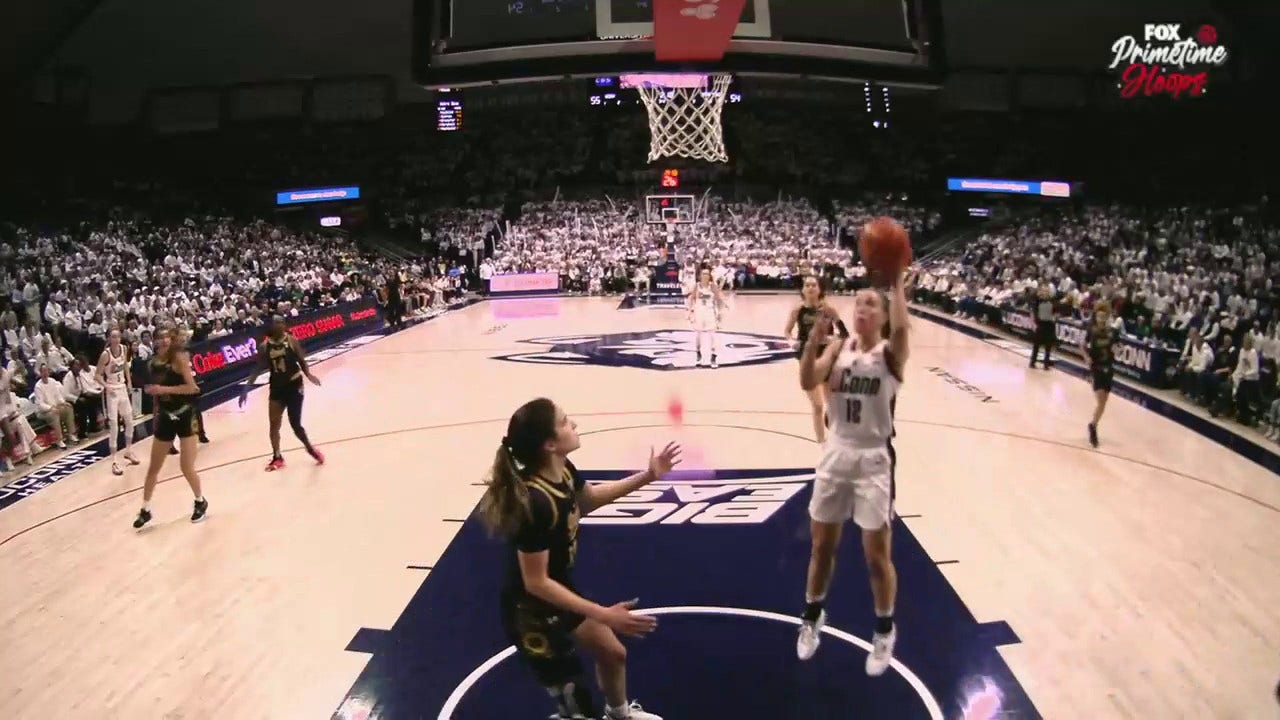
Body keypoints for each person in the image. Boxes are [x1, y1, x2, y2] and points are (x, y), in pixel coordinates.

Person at [480, 398, 680, 720]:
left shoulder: (563, 471)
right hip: (532, 612)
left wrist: (649, 475)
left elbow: (588, 500)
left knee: (613, 653)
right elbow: (536, 582)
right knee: (576, 704)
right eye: (564, 422)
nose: (574, 425)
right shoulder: (536, 503)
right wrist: (603, 613)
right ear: (549, 445)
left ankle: (618, 714)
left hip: (558, 592)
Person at [796, 270, 910, 677]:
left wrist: (896, 288)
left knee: (875, 555)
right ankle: (812, 617)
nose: (863, 308)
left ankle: (884, 628)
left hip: (874, 459)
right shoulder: (839, 347)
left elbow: (902, 329)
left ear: (881, 317)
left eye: (871, 304)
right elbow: (808, 378)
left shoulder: (890, 355)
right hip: (836, 451)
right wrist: (814, 340)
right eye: (859, 302)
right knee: (821, 546)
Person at [134, 328, 207, 529]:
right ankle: (145, 509)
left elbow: (193, 388)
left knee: (186, 466)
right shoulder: (152, 364)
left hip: (184, 413)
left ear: (171, 339)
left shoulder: (180, 359)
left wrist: (164, 389)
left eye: (167, 337)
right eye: (160, 338)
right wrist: (156, 414)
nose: (164, 340)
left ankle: (200, 501)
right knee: (153, 468)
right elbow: (156, 394)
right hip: (166, 415)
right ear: (156, 341)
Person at [239, 316, 324, 470]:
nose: (280, 325)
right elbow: (258, 368)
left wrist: (309, 374)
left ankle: (310, 448)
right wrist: (247, 387)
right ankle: (277, 456)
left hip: (294, 386)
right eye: (277, 322)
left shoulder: (291, 340)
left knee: (295, 424)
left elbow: (301, 360)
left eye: (282, 322)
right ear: (272, 326)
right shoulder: (265, 346)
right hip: (277, 388)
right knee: (274, 425)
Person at [784, 275, 849, 443]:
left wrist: (832, 338)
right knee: (817, 405)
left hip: (827, 359)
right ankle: (821, 441)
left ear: (820, 289)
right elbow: (787, 332)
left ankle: (836, 435)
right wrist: (791, 342)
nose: (811, 288)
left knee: (831, 403)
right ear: (803, 289)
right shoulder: (797, 310)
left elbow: (844, 334)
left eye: (814, 285)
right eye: (807, 285)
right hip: (807, 359)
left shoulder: (829, 310)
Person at [97, 329, 140, 475]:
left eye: (118, 336)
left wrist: (129, 382)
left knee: (129, 421)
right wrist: (107, 386)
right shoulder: (105, 355)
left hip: (122, 388)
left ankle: (128, 451)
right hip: (111, 392)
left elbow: (126, 366)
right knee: (114, 426)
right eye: (113, 337)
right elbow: (97, 376)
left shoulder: (124, 348)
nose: (116, 339)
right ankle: (114, 461)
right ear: (108, 338)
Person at [1081, 300, 1118, 448]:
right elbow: (1082, 344)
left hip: (1109, 367)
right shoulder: (1092, 330)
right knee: (1100, 401)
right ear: (1096, 316)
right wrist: (1086, 357)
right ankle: (1093, 428)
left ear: (1107, 316)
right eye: (1099, 316)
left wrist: (1117, 350)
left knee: (1103, 404)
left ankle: (1093, 424)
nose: (1101, 319)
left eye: (1104, 316)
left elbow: (1117, 346)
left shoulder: (1112, 331)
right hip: (1096, 367)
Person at [686, 267, 726, 368]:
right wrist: (690, 311)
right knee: (698, 335)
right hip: (699, 312)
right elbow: (691, 298)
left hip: (710, 312)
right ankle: (698, 354)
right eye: (703, 274)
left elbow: (719, 300)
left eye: (707, 274)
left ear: (710, 276)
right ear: (700, 275)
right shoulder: (697, 286)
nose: (705, 276)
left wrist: (720, 313)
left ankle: (713, 357)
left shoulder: (713, 286)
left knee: (713, 335)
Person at [33, 363, 78, 449]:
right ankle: (59, 440)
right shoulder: (38, 386)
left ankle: (71, 434)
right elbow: (40, 404)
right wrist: (51, 408)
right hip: (44, 412)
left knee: (68, 408)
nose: (45, 373)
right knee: (54, 414)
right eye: (43, 371)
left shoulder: (52, 381)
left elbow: (58, 396)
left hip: (55, 407)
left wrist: (63, 402)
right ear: (40, 373)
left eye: (46, 371)